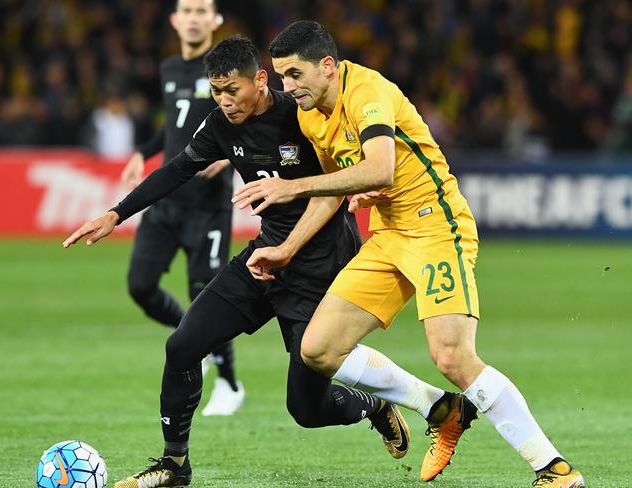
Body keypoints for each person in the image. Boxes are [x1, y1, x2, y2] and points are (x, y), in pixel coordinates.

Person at [233, 20, 585, 487]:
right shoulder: (309, 115)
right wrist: (287, 247)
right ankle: (440, 408)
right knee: (317, 348)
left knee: (453, 357)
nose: (287, 87)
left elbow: (380, 168)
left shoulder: (368, 92)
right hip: (389, 235)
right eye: (280, 77)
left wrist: (291, 185)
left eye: (295, 75)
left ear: (327, 66)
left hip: (437, 227)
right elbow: (332, 191)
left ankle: (554, 468)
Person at [63, 35, 418, 488]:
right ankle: (174, 465)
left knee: (306, 411)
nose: (225, 102)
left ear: (260, 79)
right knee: (183, 345)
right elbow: (176, 169)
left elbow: (345, 177)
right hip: (262, 259)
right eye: (216, 91)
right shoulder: (220, 126)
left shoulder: (302, 114)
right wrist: (116, 214)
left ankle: (374, 406)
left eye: (233, 90)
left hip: (320, 267)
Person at [120, 0, 244, 416]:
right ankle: (193, 338)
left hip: (207, 206)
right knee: (140, 285)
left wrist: (228, 157)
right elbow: (174, 124)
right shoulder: (170, 68)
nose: (193, 17)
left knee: (206, 295)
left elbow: (248, 119)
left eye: (201, 10)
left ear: (214, 21)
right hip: (166, 203)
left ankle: (229, 382)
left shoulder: (227, 69)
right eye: (186, 10)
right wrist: (144, 151)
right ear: (175, 20)